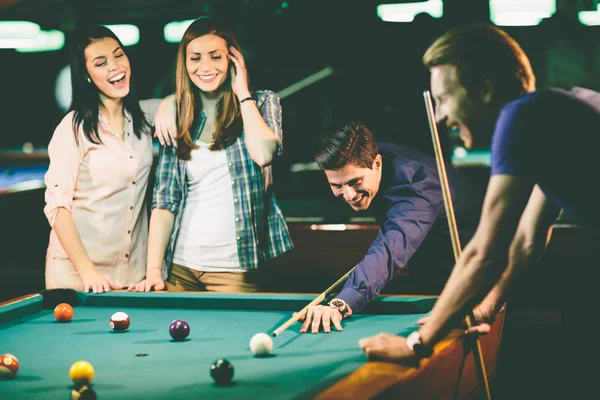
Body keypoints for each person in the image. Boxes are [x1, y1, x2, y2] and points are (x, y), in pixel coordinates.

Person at [357, 24, 600, 392]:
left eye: (444, 98)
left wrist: (419, 343)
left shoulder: (521, 118)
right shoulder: (551, 114)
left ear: (485, 88)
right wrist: (488, 304)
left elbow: (484, 252)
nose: (439, 116)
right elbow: (527, 239)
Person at [129, 17, 292, 293]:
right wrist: (154, 270)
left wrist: (242, 93)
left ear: (233, 59)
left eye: (216, 57)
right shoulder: (177, 117)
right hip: (179, 268)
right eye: (195, 58)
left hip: (234, 270)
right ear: (185, 64)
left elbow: (264, 154)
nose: (205, 67)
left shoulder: (263, 102)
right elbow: (165, 199)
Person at [298, 122, 481, 333]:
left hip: (469, 277)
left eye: (355, 182)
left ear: (377, 164)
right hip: (430, 267)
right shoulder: (366, 153)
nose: (348, 195)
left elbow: (388, 251)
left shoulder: (417, 190)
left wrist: (339, 304)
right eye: (336, 185)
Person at [44, 25, 161, 293]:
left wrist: (167, 107)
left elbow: (184, 103)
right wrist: (87, 273)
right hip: (77, 276)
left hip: (133, 275)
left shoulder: (143, 117)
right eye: (101, 63)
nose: (114, 67)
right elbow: (57, 208)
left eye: (119, 55)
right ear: (86, 75)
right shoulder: (72, 128)